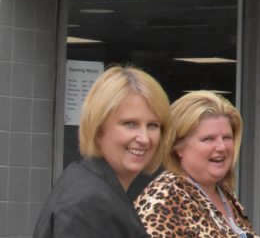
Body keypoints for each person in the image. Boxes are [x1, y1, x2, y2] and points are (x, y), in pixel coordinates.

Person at [33, 65, 171, 238]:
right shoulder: (87, 206)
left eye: (153, 125)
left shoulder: (99, 190)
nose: (144, 138)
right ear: (98, 128)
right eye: (129, 123)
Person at [135, 91, 257, 238]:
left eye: (227, 138)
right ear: (178, 147)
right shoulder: (163, 199)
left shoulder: (222, 192)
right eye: (208, 139)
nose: (222, 147)